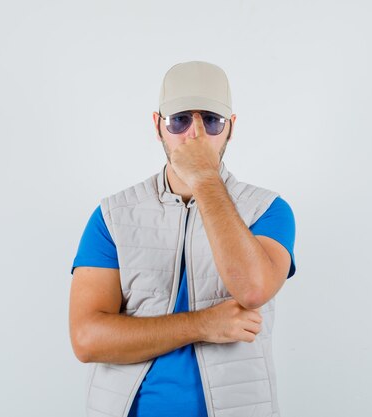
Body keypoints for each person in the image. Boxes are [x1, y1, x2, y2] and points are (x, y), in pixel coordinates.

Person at [69, 61, 297, 417]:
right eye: (179, 120)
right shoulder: (112, 216)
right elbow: (87, 339)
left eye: (211, 120)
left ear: (230, 128)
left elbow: (253, 289)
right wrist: (204, 324)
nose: (196, 135)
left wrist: (206, 179)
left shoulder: (268, 210)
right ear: (158, 125)